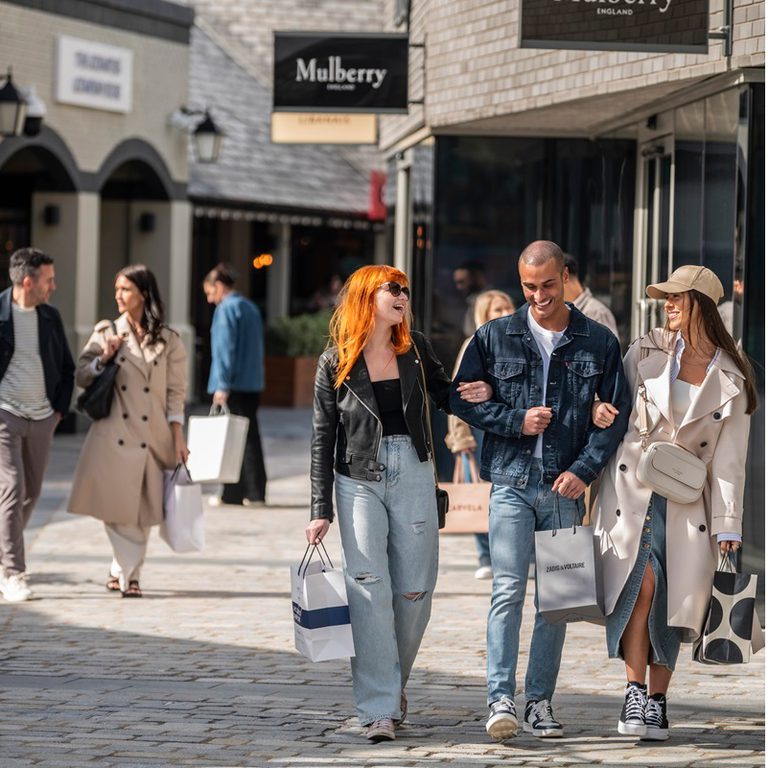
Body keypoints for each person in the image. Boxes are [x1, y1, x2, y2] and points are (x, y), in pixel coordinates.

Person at [450, 240, 631, 741]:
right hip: (510, 483)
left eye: (547, 285)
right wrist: (514, 420)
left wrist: (586, 470)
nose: (538, 296)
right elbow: (459, 400)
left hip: (565, 488)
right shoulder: (494, 336)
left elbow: (615, 418)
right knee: (506, 590)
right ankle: (499, 698)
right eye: (529, 286)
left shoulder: (598, 341)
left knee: (558, 600)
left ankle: (540, 703)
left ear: (565, 277)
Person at [306, 265, 492, 743]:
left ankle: (391, 685)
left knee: (414, 591)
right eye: (393, 288)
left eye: (406, 289)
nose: (402, 295)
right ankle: (378, 708)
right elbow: (322, 438)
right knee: (368, 589)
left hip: (413, 468)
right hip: (357, 478)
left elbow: (447, 396)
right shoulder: (334, 363)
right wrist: (318, 508)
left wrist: (476, 395)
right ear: (368, 296)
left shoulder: (416, 350)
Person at [590, 265, 758, 741]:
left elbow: (730, 463)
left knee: (674, 600)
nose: (666, 305)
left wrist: (729, 527)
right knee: (638, 587)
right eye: (665, 298)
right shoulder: (644, 350)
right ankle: (634, 692)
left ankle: (658, 703)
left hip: (689, 503)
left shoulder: (733, 376)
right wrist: (597, 410)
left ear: (699, 306)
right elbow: (612, 405)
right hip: (632, 489)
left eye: (676, 298)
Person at [68, 265, 188, 598]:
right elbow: (81, 375)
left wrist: (179, 438)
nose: (118, 296)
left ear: (143, 294)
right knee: (116, 507)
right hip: (113, 434)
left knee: (141, 510)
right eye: (116, 289)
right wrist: (103, 358)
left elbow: (176, 393)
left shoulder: (170, 340)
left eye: (125, 289)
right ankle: (130, 576)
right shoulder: (107, 332)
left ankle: (122, 570)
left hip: (153, 435)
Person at [0, 248, 74, 602]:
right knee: (12, 489)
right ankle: (13, 572)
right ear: (28, 281)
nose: (53, 286)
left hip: (43, 417)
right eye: (49, 280)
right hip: (5, 415)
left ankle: (3, 554)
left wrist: (58, 411)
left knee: (32, 493)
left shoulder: (50, 318)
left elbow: (67, 367)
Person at [445, 289, 516, 580]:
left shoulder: (523, 342)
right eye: (496, 310)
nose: (503, 314)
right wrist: (461, 438)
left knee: (507, 495)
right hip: (481, 431)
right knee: (478, 494)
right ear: (484, 316)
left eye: (507, 307)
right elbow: (458, 393)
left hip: (512, 430)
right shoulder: (474, 344)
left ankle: (512, 555)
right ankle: (485, 555)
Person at [203, 263, 267, 507]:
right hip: (252, 382)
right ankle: (255, 492)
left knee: (232, 439)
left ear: (219, 286)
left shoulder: (226, 310)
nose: (210, 299)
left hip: (234, 383)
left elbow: (225, 351)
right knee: (250, 437)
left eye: (210, 293)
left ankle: (234, 493)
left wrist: (222, 385)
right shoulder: (249, 307)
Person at [562, 253, 619, 338]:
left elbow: (609, 349)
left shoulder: (597, 313)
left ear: (565, 276)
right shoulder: (560, 311)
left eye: (549, 283)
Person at [453, 261, 489, 337]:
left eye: (462, 282)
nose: (459, 287)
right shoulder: (466, 302)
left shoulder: (492, 300)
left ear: (477, 278)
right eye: (456, 283)